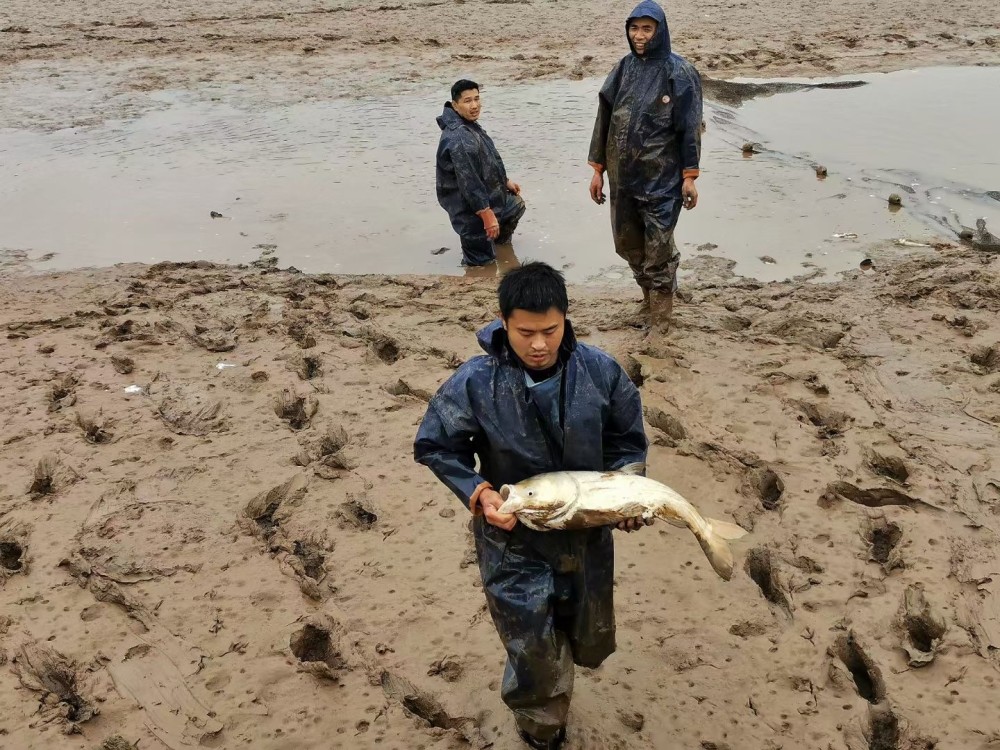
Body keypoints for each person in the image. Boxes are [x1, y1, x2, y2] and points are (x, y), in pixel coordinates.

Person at [413, 262, 649, 749]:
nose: (538, 344)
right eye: (525, 332)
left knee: (583, 629)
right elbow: (437, 445)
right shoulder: (476, 381)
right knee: (534, 650)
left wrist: (628, 491)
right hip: (513, 538)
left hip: (587, 536)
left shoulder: (601, 372)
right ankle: (543, 732)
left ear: (566, 319)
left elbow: (627, 443)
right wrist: (479, 494)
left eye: (549, 330)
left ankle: (559, 685)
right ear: (504, 322)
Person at [587, 0, 704, 334]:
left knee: (659, 251)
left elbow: (689, 128)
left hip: (661, 181)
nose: (639, 36)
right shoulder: (623, 69)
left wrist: (690, 176)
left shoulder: (678, 72)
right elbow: (604, 119)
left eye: (647, 28)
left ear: (660, 31)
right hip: (623, 180)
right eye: (634, 28)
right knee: (628, 244)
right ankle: (648, 298)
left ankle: (662, 319)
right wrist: (598, 169)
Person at [436, 79, 527, 268]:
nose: (475, 105)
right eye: (468, 101)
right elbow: (469, 181)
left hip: (487, 197)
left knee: (515, 205)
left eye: (477, 99)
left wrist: (505, 180)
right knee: (482, 266)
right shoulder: (459, 136)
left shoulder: (468, 124)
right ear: (455, 105)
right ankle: (477, 257)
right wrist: (486, 215)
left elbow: (486, 160)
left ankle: (497, 242)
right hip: (468, 209)